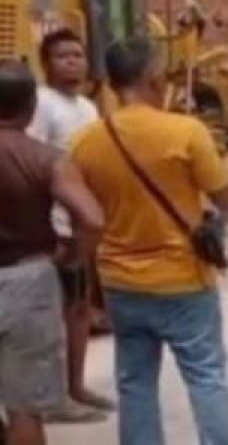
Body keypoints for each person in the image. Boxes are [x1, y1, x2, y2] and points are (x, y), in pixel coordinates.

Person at [70, 39, 228, 445]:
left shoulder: (85, 142)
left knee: (134, 383)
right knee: (206, 377)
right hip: (183, 281)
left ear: (110, 86)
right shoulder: (186, 132)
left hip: (121, 283)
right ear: (154, 79)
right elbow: (227, 199)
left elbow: (86, 216)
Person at [0, 59, 104, 445]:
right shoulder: (46, 159)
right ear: (30, 106)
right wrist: (74, 254)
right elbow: (92, 218)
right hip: (27, 281)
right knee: (24, 409)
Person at [26, 29, 112, 424]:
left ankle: (75, 385)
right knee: (48, 317)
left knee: (79, 310)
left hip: (81, 227)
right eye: (63, 56)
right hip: (54, 228)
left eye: (78, 55)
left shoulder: (88, 108)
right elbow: (33, 162)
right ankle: (51, 398)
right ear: (46, 63)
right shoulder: (42, 105)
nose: (73, 62)